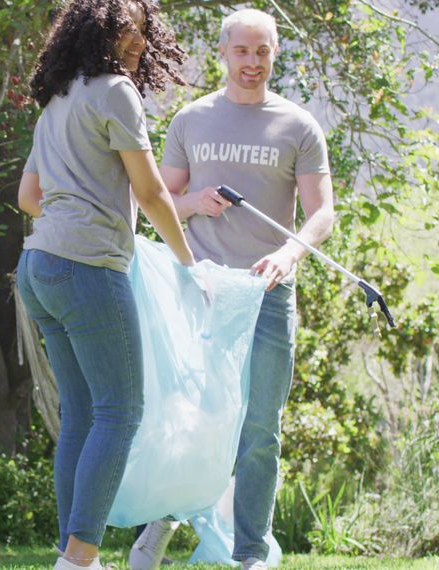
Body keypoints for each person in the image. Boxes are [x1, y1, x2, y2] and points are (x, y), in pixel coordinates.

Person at [128, 8, 335, 570]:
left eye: (262, 51)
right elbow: (157, 201)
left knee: (260, 428)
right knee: (189, 412)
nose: (252, 62)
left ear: (274, 54)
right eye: (242, 51)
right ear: (222, 52)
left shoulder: (298, 126)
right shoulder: (191, 121)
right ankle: (159, 527)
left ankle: (250, 555)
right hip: (201, 289)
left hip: (267, 294)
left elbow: (322, 214)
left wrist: (290, 251)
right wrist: (195, 202)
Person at [15, 1, 195, 568]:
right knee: (121, 411)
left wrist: (78, 204)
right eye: (126, 30)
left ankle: (72, 557)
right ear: (96, 32)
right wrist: (187, 263)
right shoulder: (116, 91)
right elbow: (150, 192)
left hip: (38, 267)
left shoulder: (58, 100)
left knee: (83, 413)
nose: (138, 41)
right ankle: (79, 559)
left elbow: (28, 197)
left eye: (144, 31)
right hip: (87, 267)